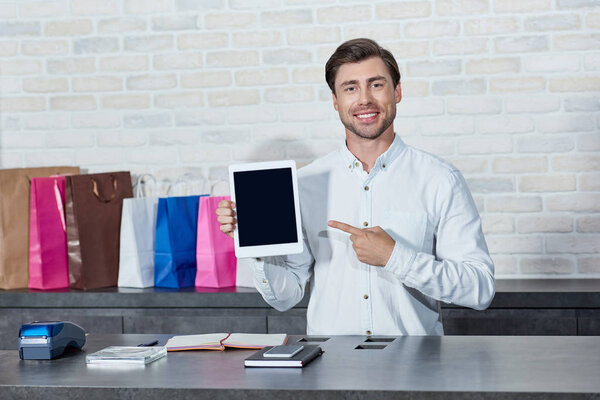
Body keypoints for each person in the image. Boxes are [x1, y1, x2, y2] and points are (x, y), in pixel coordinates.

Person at [217, 38, 495, 336]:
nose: (364, 99)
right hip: (329, 368)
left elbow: (479, 289)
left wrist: (395, 257)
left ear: (397, 92)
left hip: (416, 367)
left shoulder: (440, 180)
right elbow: (287, 296)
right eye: (350, 88)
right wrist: (254, 244)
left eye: (376, 85)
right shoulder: (305, 183)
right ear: (336, 101)